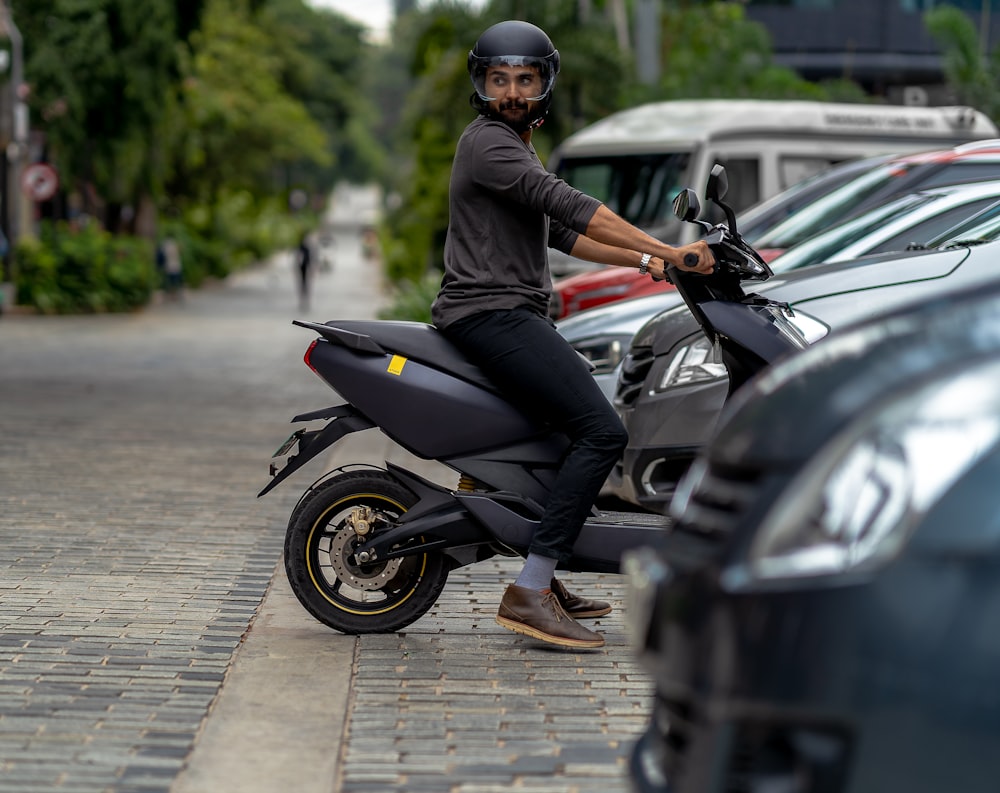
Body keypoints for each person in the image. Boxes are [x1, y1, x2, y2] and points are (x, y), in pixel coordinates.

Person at [431, 20, 715, 650]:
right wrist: (671, 249)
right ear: (481, 84)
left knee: (566, 432)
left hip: (506, 313)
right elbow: (570, 206)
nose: (511, 90)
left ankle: (546, 575)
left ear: (542, 85)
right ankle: (530, 590)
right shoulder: (491, 145)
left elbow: (560, 234)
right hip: (492, 314)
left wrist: (649, 263)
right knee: (603, 431)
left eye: (524, 79)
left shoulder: (507, 144)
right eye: (499, 79)